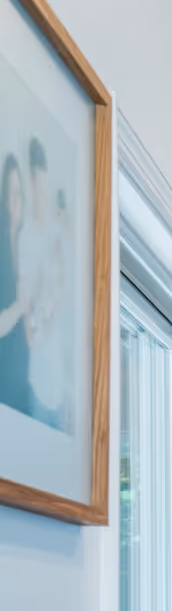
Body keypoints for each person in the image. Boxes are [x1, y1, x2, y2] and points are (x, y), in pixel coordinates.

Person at [20, 137, 68, 430]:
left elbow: (62, 296)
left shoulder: (55, 236)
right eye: (36, 185)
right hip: (37, 384)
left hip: (58, 387)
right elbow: (29, 319)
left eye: (44, 185)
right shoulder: (25, 237)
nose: (41, 192)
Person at [0, 155, 32, 421]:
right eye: (11, 192)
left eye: (19, 192)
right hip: (4, 387)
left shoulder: (24, 248)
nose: (16, 199)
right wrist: (20, 307)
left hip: (24, 384)